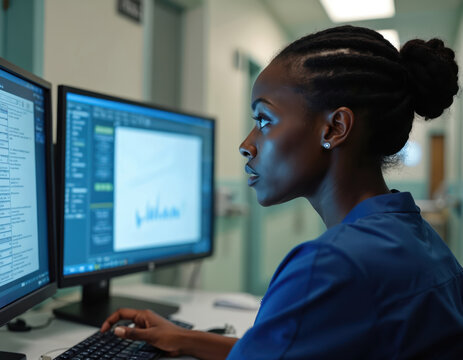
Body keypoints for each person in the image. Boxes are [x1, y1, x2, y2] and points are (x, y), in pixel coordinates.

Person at [100, 25, 463, 359]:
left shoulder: (331, 265)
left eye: (264, 120)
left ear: (335, 128)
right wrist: (185, 339)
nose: (246, 145)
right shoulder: (418, 240)